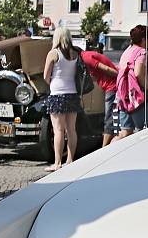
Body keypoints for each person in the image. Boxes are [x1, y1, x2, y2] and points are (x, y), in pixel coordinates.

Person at [43, 27, 82, 172]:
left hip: (57, 94)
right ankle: (70, 160)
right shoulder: (75, 53)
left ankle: (57, 162)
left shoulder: (53, 53)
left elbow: (46, 76)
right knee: (71, 129)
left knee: (58, 130)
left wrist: (51, 83)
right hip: (72, 93)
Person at [115, 25, 148, 140]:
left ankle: (109, 153)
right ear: (143, 39)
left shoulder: (127, 51)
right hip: (137, 97)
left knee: (124, 133)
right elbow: (138, 73)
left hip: (123, 96)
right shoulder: (142, 52)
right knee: (143, 132)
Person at [81, 46, 118, 147]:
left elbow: (105, 68)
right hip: (109, 86)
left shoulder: (86, 58)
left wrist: (120, 76)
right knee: (110, 116)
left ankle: (104, 147)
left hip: (112, 86)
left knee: (109, 117)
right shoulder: (86, 56)